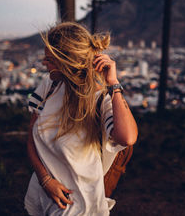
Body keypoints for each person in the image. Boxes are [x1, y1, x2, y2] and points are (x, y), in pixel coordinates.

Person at [24, 22, 138, 215]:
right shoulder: (50, 86)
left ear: (67, 62)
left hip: (79, 205)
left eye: (50, 59)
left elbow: (127, 137)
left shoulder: (100, 98)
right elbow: (31, 140)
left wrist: (113, 84)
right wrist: (45, 181)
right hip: (42, 194)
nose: (44, 63)